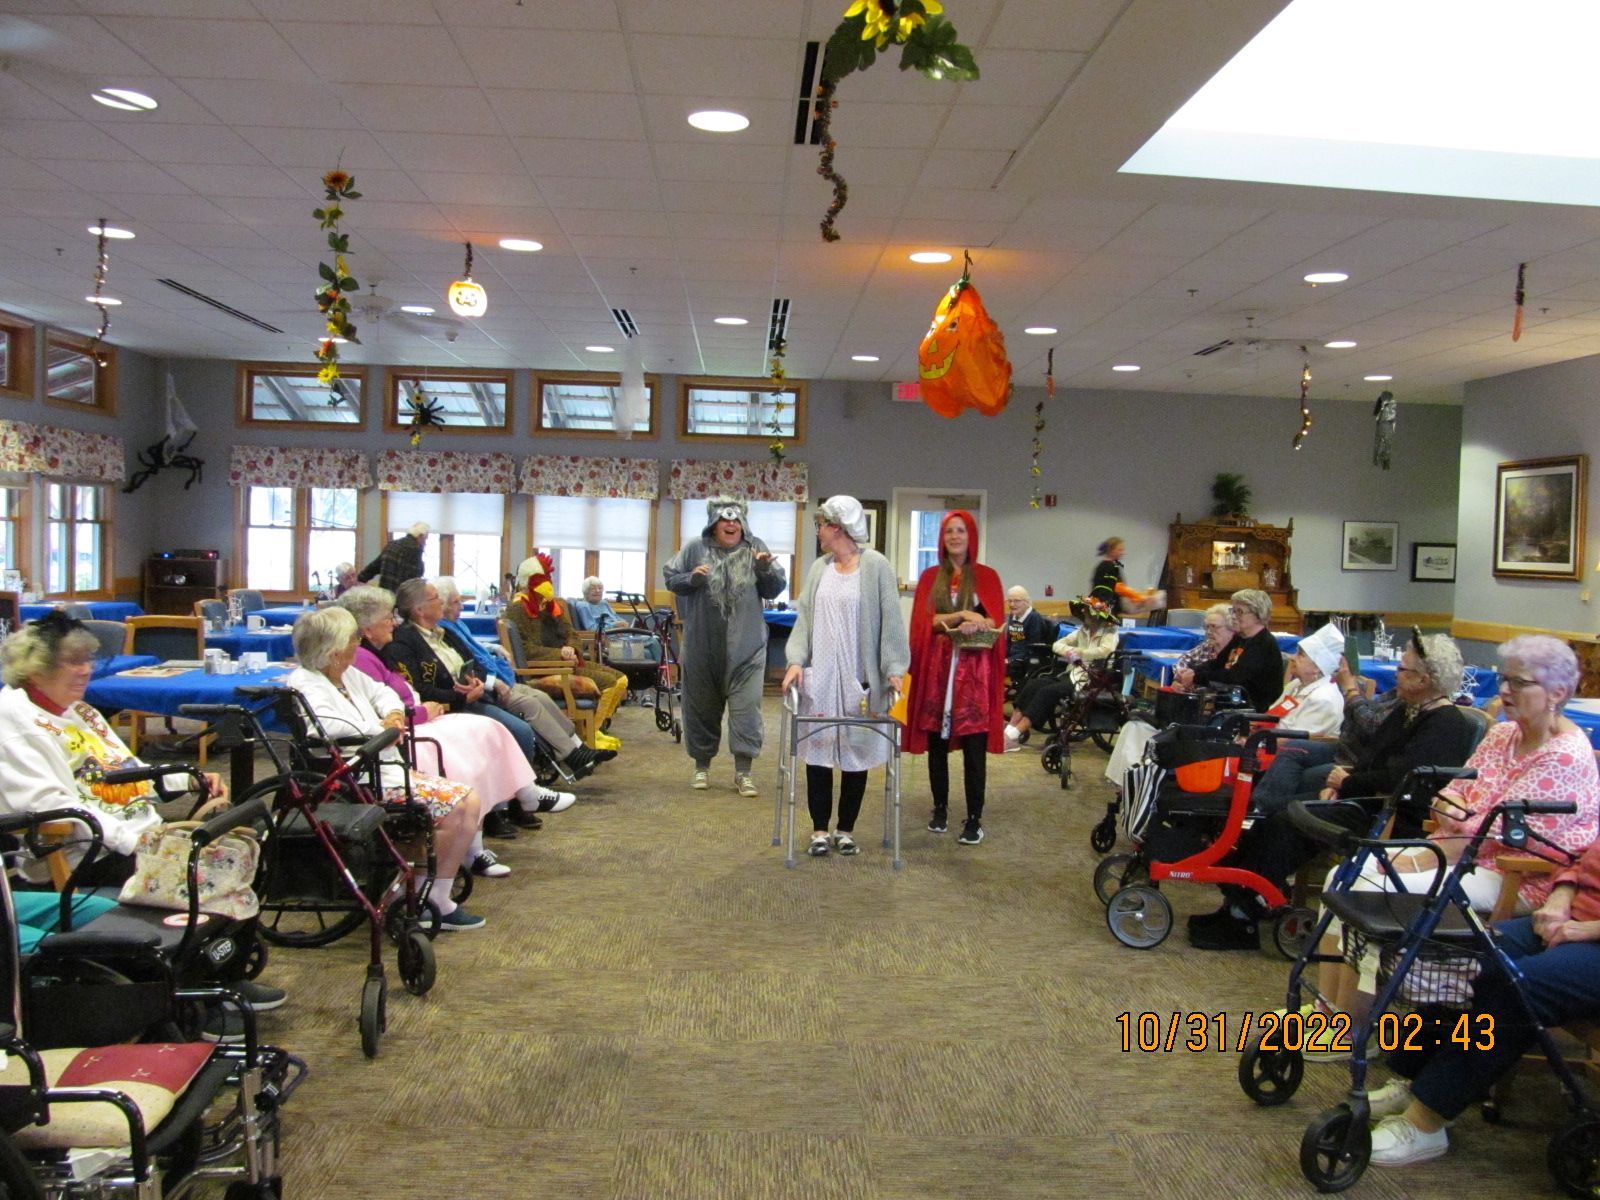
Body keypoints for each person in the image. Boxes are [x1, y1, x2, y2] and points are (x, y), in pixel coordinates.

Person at [1302, 634, 1599, 1043]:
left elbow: (1494, 833)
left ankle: (1353, 1029)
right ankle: (1328, 1009)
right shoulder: (1503, 735)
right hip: (1459, 853)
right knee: (1344, 875)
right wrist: (1454, 812)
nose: (1505, 690)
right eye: (1504, 679)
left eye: (1519, 682)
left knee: (1372, 887)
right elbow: (1450, 793)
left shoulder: (1563, 755)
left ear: (1558, 693)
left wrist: (1426, 853)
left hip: (1516, 876)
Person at [0, 613, 289, 1018]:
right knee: (208, 869)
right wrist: (138, 842)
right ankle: (202, 997)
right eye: (72, 662)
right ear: (35, 668)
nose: (85, 670)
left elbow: (129, 770)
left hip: (137, 832)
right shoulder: (12, 722)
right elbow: (51, 806)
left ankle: (221, 976)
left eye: (88, 660)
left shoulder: (78, 711)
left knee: (243, 843)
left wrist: (188, 780)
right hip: (86, 852)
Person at [1189, 631, 1478, 951]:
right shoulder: (1409, 710)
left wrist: (1346, 785)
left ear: (1424, 679)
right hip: (1367, 799)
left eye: (1402, 669)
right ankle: (1237, 903)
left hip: (1394, 815)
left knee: (1287, 823)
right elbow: (1373, 757)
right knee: (1277, 814)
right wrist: (1339, 785)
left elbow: (1403, 779)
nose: (1396, 674)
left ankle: (1244, 914)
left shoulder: (1445, 724)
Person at [1362, 833, 1600, 1167]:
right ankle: (1417, 1080)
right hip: (1573, 919)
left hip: (1592, 935)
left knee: (1517, 985)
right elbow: (1579, 858)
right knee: (1464, 954)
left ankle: (1427, 1118)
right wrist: (1560, 897)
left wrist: (1590, 929)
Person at [339, 585, 572, 877]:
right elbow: (386, 707)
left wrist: (440, 700)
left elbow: (389, 695)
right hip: (406, 733)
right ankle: (477, 844)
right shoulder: (369, 656)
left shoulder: (374, 653)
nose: (393, 622)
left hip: (422, 717)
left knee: (487, 729)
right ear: (367, 629)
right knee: (467, 748)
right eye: (387, 617)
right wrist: (426, 710)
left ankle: (523, 795)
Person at [286, 608, 486, 931]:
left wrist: (393, 715)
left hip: (383, 766)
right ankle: (427, 897)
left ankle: (432, 894)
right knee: (459, 807)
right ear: (334, 650)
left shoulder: (347, 674)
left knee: (468, 802)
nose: (358, 643)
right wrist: (381, 729)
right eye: (353, 638)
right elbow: (327, 728)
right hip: (354, 777)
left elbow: (385, 692)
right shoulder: (305, 683)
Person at [384, 578, 576, 838]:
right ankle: (501, 810)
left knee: (522, 723)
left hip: (474, 695)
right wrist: (461, 696)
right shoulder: (403, 642)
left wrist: (477, 681)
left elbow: (473, 661)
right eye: (435, 598)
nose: (441, 602)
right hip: (449, 707)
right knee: (516, 730)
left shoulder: (443, 631)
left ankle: (517, 801)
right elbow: (419, 689)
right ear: (419, 609)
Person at [781, 495, 909, 857]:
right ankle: (819, 830)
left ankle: (845, 829)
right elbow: (805, 620)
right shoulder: (819, 568)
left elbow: (891, 621)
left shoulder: (876, 566)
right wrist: (795, 660)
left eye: (821, 524)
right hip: (822, 675)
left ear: (837, 526)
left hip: (859, 676)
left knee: (857, 750)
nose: (818, 531)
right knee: (818, 751)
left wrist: (894, 669)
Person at [664, 496, 787, 796]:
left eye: (736, 520)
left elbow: (775, 588)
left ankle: (743, 772)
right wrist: (692, 579)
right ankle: (701, 767)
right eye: (724, 519)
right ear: (713, 523)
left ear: (743, 523)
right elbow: (671, 578)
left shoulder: (756, 547)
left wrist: (764, 570)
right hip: (702, 649)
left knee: (746, 713)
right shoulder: (695, 548)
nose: (731, 524)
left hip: (748, 651)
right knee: (700, 710)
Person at [433, 576, 618, 763]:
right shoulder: (445, 631)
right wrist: (494, 682)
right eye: (456, 602)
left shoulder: (456, 624)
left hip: (500, 678)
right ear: (442, 605)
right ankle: (571, 755)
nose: (462, 606)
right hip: (488, 687)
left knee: (542, 698)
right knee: (532, 704)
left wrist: (494, 647)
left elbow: (473, 646)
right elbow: (467, 664)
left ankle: (579, 746)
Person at [903, 510, 1006, 845]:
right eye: (949, 531)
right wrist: (961, 614)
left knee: (974, 748)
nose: (955, 536)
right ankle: (940, 808)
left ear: (970, 535)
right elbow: (925, 623)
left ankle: (974, 818)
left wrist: (980, 622)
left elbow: (996, 621)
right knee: (937, 744)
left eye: (961, 530)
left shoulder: (987, 577)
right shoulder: (931, 577)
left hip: (974, 676)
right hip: (938, 673)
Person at [1102, 602, 1234, 788]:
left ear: (1232, 630)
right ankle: (1125, 784)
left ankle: (1138, 785)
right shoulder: (1207, 648)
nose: (1209, 632)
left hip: (1204, 718)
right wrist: (1180, 678)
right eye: (1207, 627)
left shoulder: (1233, 658)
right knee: (1132, 727)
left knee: (1147, 734)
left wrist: (1193, 683)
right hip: (1183, 709)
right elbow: (1183, 661)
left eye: (1215, 627)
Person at [506, 555, 629, 732]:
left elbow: (571, 633)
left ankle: (593, 728)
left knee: (621, 679)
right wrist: (560, 654)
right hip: (546, 668)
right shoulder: (517, 608)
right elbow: (525, 650)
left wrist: (571, 648)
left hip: (568, 662)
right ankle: (591, 732)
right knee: (609, 682)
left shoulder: (550, 605)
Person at [1003, 595, 1119, 751]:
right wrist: (1071, 651)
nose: (1084, 614)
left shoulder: (1109, 633)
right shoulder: (1082, 631)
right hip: (1072, 673)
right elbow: (1057, 645)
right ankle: (1009, 729)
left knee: (1047, 692)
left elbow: (1105, 651)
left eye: (1087, 612)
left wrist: (1079, 652)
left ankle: (1014, 735)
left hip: (1091, 677)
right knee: (1033, 684)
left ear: (1096, 616)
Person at [1174, 588, 1283, 712]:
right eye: (1233, 611)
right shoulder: (1241, 638)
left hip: (1254, 708)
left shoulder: (1263, 644)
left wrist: (1196, 677)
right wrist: (1190, 671)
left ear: (1258, 615)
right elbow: (1217, 663)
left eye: (1240, 612)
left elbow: (1234, 677)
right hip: (1233, 701)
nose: (1234, 616)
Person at [1089, 537, 1162, 614]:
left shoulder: (1105, 565)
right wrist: (1140, 597)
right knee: (1160, 598)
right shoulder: (1109, 566)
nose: (1123, 553)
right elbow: (1118, 588)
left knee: (1156, 599)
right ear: (1111, 551)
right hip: (1107, 608)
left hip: (1105, 606)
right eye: (1120, 550)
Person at [357, 521, 428, 594]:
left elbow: (374, 566)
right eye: (425, 539)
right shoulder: (415, 549)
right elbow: (414, 579)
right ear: (420, 536)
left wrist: (360, 579)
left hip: (384, 595)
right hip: (401, 596)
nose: (425, 543)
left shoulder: (392, 545)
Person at [1004, 586, 1055, 679]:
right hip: (1013, 656)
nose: (1012, 604)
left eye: (1016, 601)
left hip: (1026, 658)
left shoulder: (1034, 618)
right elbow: (1009, 641)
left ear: (1026, 601)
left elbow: (1032, 648)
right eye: (1009, 601)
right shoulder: (1013, 615)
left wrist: (1010, 660)